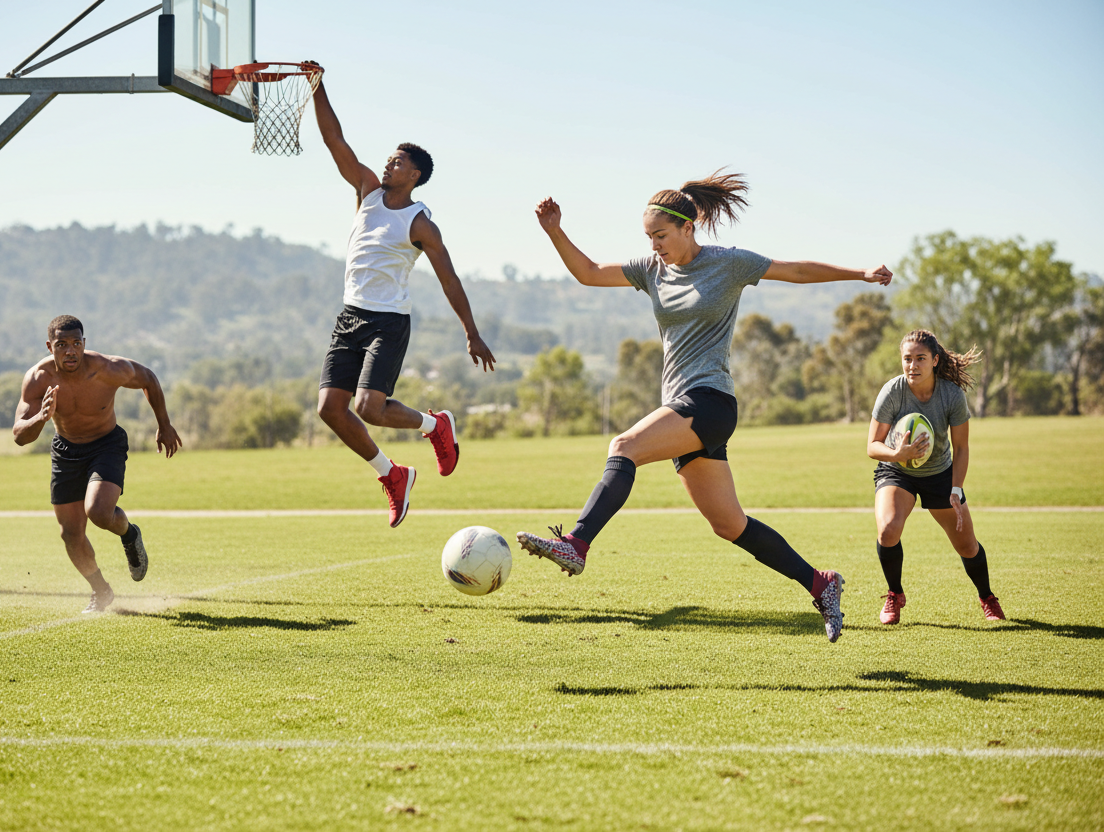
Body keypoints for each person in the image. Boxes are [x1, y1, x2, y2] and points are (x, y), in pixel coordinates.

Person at [517, 171, 893, 643]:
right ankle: (821, 583)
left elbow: (794, 270)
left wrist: (857, 273)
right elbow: (590, 274)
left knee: (624, 445)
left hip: (711, 400)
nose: (654, 245)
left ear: (687, 228)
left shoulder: (727, 264)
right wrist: (555, 231)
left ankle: (576, 543)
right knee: (729, 524)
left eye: (661, 235)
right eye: (648, 237)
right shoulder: (652, 270)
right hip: (682, 406)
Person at [309, 70, 496, 528]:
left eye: (397, 162)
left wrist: (471, 333)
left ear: (414, 176)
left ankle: (437, 426)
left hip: (388, 321)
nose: (388, 165)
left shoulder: (420, 224)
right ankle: (392, 474)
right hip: (350, 315)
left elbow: (450, 279)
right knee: (330, 409)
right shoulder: (367, 192)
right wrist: (316, 86)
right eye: (388, 159)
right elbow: (335, 139)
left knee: (369, 408)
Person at [13, 315, 182, 614]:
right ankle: (100, 592)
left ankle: (129, 534)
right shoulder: (38, 378)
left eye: (76, 344)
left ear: (84, 344)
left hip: (106, 445)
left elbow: (148, 378)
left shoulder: (106, 368)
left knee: (99, 512)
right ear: (49, 346)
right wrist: (42, 416)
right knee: (70, 534)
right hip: (65, 450)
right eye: (62, 345)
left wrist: (164, 425)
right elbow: (19, 436)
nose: (70, 351)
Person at [867, 329, 1004, 624]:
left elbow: (962, 448)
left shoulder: (951, 395)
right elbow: (872, 446)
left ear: (934, 360)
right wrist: (897, 455)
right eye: (907, 359)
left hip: (940, 473)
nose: (912, 365)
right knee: (888, 529)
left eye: (920, 358)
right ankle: (895, 595)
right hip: (897, 470)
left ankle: (987, 597)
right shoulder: (892, 391)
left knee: (967, 545)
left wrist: (956, 489)